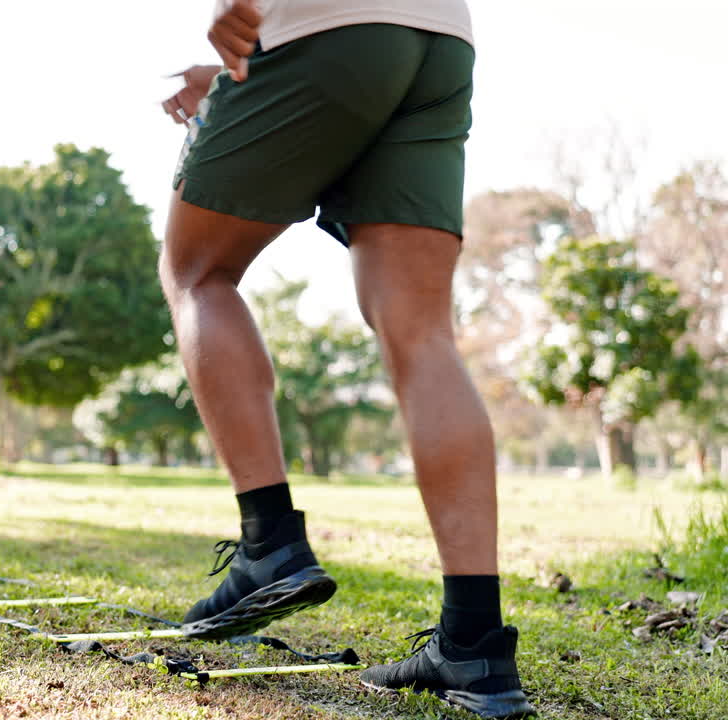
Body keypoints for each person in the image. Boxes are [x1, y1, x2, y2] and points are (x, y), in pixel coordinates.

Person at [156, 1, 535, 717]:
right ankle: (474, 644)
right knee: (422, 333)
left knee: (196, 271)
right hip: (438, 35)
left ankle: (269, 542)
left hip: (323, 22)